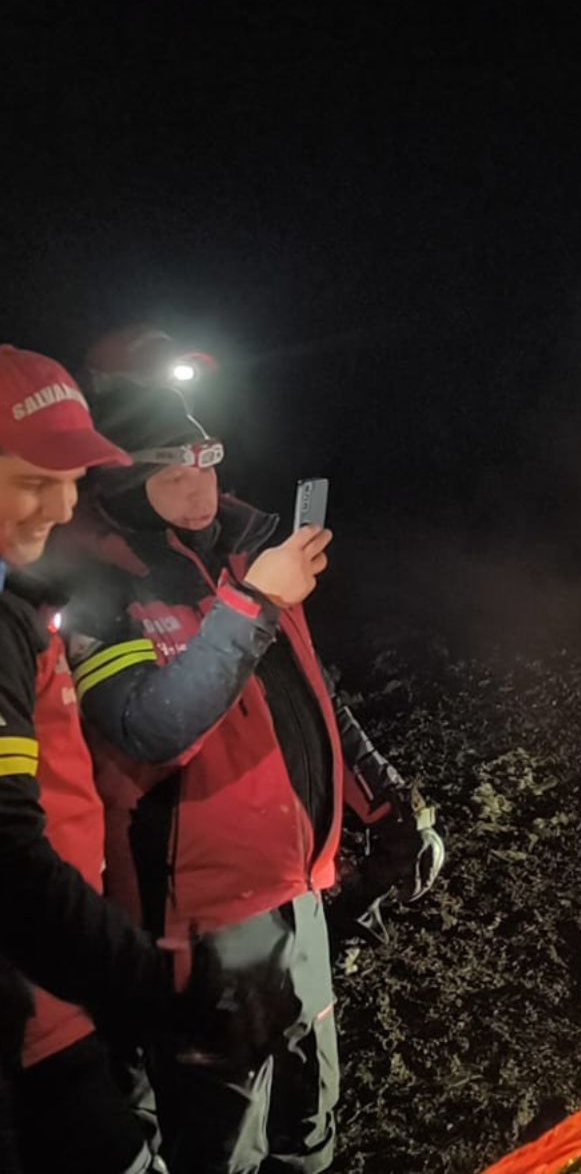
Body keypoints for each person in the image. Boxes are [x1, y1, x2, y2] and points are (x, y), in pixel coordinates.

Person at [50, 333, 442, 1174]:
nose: (200, 487)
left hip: (298, 898)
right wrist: (254, 600)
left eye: (207, 461)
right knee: (220, 1147)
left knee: (310, 1129)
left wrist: (389, 802)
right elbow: (150, 729)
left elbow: (314, 699)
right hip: (198, 921)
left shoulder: (239, 552)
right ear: (121, 477)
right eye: (171, 469)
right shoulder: (97, 581)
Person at [0, 342, 193, 1174]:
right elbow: (6, 848)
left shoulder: (24, 599)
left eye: (72, 477)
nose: (57, 504)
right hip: (33, 1019)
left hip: (57, 1001)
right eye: (32, 477)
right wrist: (162, 986)